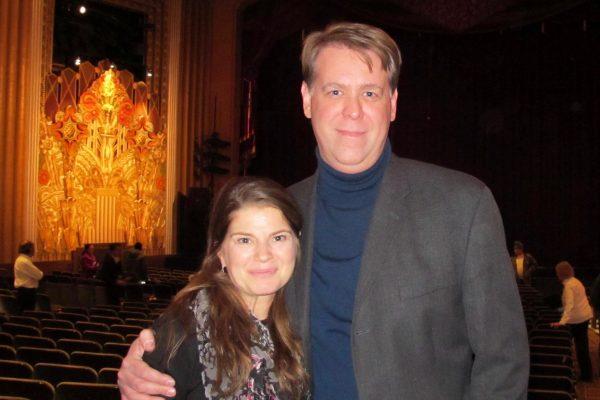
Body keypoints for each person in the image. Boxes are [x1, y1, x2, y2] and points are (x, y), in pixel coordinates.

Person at [118, 22, 528, 399]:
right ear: (307, 99)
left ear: (393, 104)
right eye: (335, 91)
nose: (353, 110)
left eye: (370, 92)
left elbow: (504, 360)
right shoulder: (278, 217)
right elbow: (218, 307)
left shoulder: (462, 205)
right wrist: (151, 357)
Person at [143, 177, 309, 399]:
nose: (263, 255)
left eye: (278, 238)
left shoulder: (302, 318)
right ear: (220, 251)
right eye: (244, 240)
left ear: (296, 244)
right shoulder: (181, 331)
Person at [550, 261, 593, 381]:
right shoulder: (575, 281)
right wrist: (561, 310)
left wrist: (562, 322)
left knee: (576, 347)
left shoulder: (569, 286)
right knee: (583, 346)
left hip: (577, 320)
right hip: (583, 317)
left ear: (560, 273)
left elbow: (569, 306)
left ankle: (579, 374)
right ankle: (587, 374)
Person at [13, 241, 44, 313]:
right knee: (27, 314)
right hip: (27, 293)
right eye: (33, 248)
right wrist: (41, 273)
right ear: (29, 249)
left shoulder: (20, 259)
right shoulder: (24, 261)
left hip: (23, 291)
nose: (34, 250)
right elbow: (39, 275)